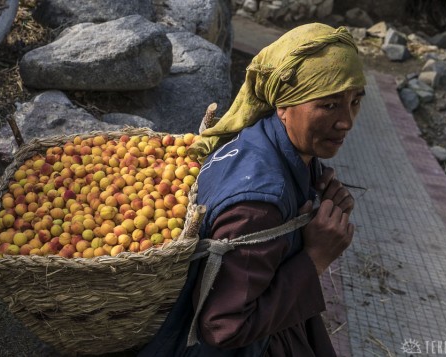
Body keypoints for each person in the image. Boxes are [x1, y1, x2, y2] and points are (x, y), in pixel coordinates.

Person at [138, 22, 366, 356]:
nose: (346, 121)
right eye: (329, 105)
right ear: (284, 106)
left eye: (355, 102)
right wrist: (316, 257)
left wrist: (320, 207)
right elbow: (224, 328)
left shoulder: (264, 138)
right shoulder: (259, 206)